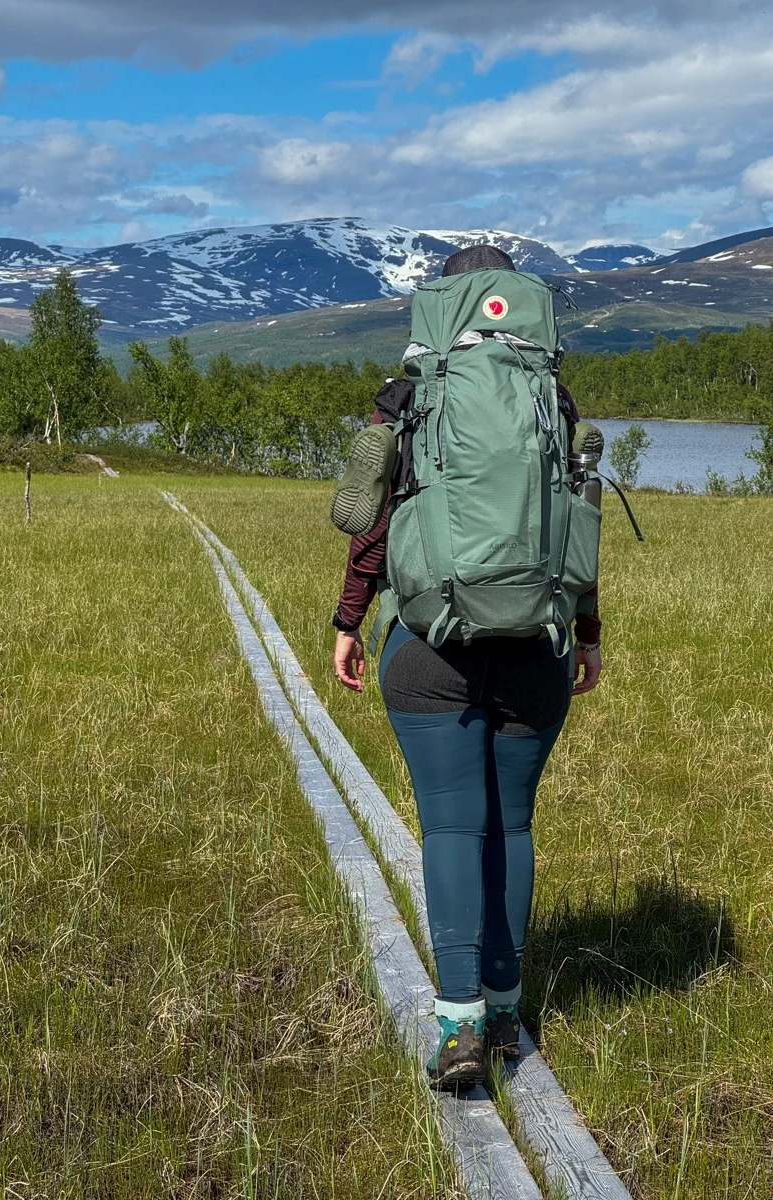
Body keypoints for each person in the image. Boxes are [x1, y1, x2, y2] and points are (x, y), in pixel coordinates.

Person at [331, 244, 602, 1088]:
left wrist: (348, 620)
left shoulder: (409, 399)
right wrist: (585, 633)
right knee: (510, 827)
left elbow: (367, 525)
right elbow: (571, 528)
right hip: (536, 650)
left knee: (453, 828)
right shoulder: (550, 399)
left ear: (441, 301)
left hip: (428, 648)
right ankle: (509, 1008)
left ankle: (458, 1029)